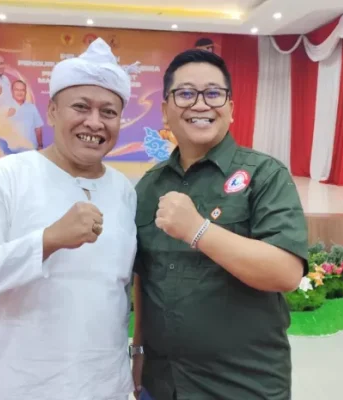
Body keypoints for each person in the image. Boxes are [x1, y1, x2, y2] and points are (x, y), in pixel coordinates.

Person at [0, 37, 138, 400]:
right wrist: (46, 241)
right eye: (80, 107)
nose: (94, 122)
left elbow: (121, 291)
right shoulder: (7, 177)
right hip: (24, 386)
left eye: (108, 112)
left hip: (105, 386)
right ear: (51, 112)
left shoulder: (124, 191)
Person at [131, 49, 309, 400]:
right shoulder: (149, 186)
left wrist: (198, 230)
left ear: (230, 108)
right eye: (185, 93)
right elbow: (143, 277)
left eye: (213, 93)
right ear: (165, 110)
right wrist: (138, 350)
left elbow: (286, 272)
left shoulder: (265, 174)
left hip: (242, 385)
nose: (200, 104)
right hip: (163, 382)